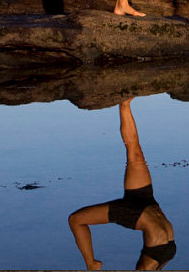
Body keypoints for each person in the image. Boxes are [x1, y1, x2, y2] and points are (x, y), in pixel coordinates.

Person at [68, 98, 176, 270]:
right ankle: (125, 103)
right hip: (151, 218)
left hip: (146, 224)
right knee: (135, 152)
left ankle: (91, 264)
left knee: (76, 220)